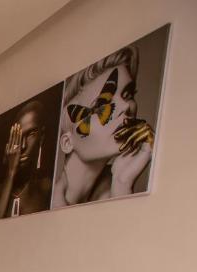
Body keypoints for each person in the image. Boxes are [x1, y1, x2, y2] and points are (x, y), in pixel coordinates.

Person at [52, 46, 154, 207]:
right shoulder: (53, 202)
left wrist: (122, 183)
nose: (126, 107)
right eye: (102, 104)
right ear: (67, 142)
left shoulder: (110, 189)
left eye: (127, 95)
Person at [0, 99, 53, 219]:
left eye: (31, 134)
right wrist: (11, 172)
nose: (23, 145)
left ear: (42, 137)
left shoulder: (47, 187)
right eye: (18, 137)